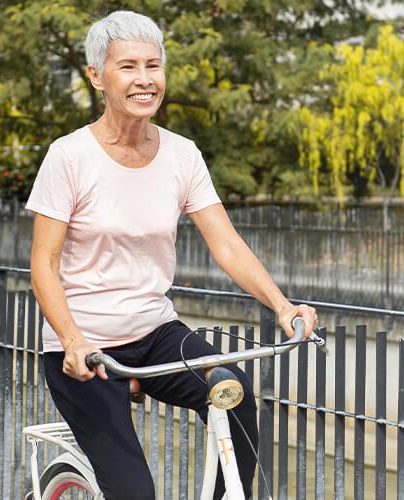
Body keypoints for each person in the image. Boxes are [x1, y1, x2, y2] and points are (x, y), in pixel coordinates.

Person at [26, 10, 317, 499]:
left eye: (153, 66)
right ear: (98, 76)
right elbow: (44, 263)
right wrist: (72, 340)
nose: (144, 80)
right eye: (128, 67)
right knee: (136, 492)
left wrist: (283, 307)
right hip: (85, 346)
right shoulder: (69, 156)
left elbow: (225, 244)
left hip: (156, 333)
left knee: (236, 395)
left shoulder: (183, 154)